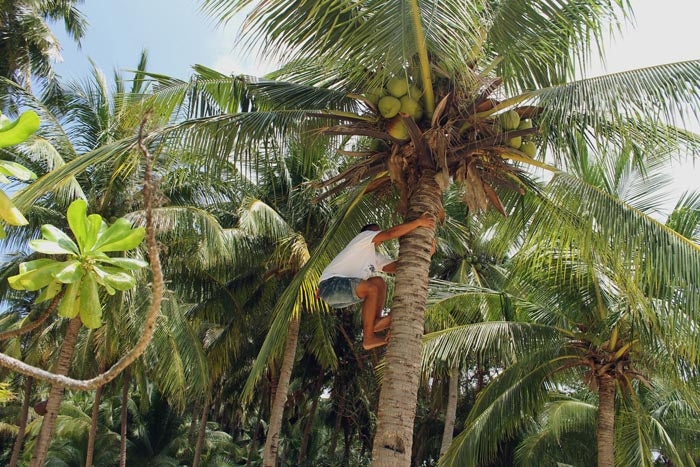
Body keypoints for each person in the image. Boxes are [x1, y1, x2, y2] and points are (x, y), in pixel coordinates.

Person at [318, 213, 436, 349]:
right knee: (371, 288)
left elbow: (399, 267)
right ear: (369, 232)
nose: (379, 234)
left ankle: (376, 323)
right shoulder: (363, 238)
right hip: (330, 286)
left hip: (340, 296)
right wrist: (418, 222)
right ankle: (368, 338)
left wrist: (426, 254)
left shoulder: (374, 257)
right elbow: (391, 233)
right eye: (377, 231)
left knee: (378, 282)